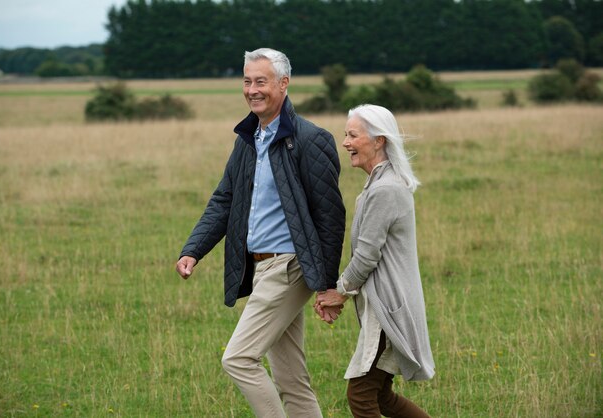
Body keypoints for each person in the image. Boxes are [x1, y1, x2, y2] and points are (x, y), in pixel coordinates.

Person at [175, 48, 345, 417]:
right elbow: (224, 199)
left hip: (289, 267)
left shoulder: (310, 139)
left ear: (283, 84)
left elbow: (330, 217)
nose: (252, 89)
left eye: (261, 81)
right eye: (247, 81)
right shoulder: (248, 139)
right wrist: (193, 250)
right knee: (291, 379)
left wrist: (328, 284)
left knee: (238, 359)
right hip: (262, 267)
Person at [315, 104, 435, 418]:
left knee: (361, 396)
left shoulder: (385, 189)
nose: (345, 143)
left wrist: (339, 292)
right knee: (381, 396)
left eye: (353, 135)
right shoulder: (380, 185)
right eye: (345, 135)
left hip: (388, 308)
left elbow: (367, 255)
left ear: (379, 141)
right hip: (384, 306)